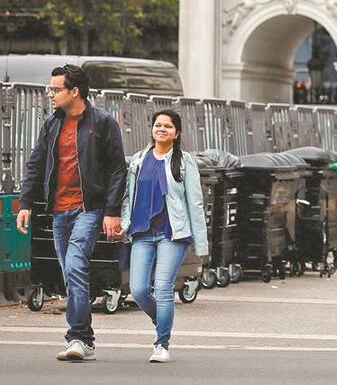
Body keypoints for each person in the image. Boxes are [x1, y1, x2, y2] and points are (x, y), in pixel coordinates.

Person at [15, 64, 126, 362]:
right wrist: (25, 203)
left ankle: (77, 337)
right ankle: (85, 339)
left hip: (89, 209)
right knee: (70, 273)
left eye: (55, 89)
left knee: (76, 266)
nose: (49, 94)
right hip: (58, 212)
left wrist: (111, 211)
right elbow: (36, 165)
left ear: (74, 91)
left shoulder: (102, 123)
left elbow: (118, 169)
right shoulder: (52, 124)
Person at [120, 110, 209, 362]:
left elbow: (196, 203)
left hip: (173, 233)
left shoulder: (185, 161)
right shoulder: (138, 160)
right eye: (158, 125)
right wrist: (124, 225)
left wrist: (201, 245)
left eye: (168, 126)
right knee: (137, 290)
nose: (162, 129)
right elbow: (129, 197)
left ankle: (162, 343)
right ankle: (163, 321)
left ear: (176, 133)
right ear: (152, 130)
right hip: (142, 233)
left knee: (162, 288)